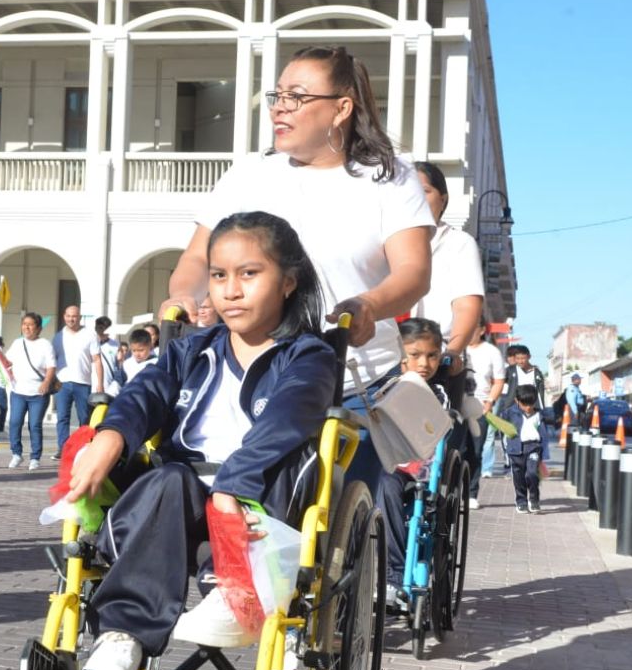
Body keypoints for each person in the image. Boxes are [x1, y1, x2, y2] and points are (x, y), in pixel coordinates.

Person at [70, 211, 336, 670]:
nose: (230, 290)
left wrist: (234, 483)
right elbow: (144, 393)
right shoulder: (190, 351)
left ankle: (233, 594)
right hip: (179, 503)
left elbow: (288, 418)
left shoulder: (309, 356)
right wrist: (112, 436)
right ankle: (123, 638)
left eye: (249, 274)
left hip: (257, 504)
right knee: (167, 478)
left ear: (289, 282)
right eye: (219, 276)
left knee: (283, 457)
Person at [163, 44, 433, 487]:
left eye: (297, 97)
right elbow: (197, 257)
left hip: (353, 379)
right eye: (278, 96)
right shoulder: (248, 176)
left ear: (341, 108)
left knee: (356, 517)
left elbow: (413, 272)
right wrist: (182, 294)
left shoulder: (388, 178)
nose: (280, 109)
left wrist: (368, 304)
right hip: (251, 377)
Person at [375, 318, 457, 607]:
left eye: (432, 355)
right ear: (398, 354)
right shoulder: (381, 387)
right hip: (380, 462)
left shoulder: (437, 395)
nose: (424, 363)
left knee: (385, 485)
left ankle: (393, 576)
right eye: (415, 355)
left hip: (412, 472)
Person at [409, 161, 484, 359]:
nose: (415, 197)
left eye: (424, 190)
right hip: (382, 357)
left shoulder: (459, 243)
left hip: (436, 357)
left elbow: (467, 305)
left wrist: (452, 353)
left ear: (443, 199)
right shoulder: (380, 239)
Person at [51, 305, 103, 458]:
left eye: (74, 316)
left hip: (83, 383)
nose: (71, 319)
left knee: (84, 417)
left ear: (80, 317)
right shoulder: (58, 336)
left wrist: (99, 384)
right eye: (68, 316)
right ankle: (63, 448)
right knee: (62, 417)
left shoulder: (90, 335)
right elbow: (52, 360)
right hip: (62, 383)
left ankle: (83, 446)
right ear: (63, 316)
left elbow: (97, 360)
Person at [6, 311, 56, 470]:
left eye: (30, 324)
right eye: (24, 324)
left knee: (34, 425)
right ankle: (16, 454)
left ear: (39, 328)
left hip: (38, 393)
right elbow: (6, 362)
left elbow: (51, 367)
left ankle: (35, 457)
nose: (26, 327)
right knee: (14, 422)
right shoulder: (17, 343)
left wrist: (47, 382)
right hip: (18, 391)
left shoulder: (45, 345)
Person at [464, 320, 505, 508]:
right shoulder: (457, 347)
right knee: (456, 449)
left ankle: (471, 493)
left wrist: (489, 402)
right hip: (455, 405)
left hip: (479, 406)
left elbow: (499, 381)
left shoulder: (492, 352)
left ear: (481, 330)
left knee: (475, 450)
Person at [503, 384, 549, 515]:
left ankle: (534, 499)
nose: (528, 407)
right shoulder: (509, 413)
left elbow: (544, 435)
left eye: (531, 404)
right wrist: (506, 448)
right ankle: (521, 502)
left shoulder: (539, 415)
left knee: (532, 474)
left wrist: (544, 452)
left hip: (534, 448)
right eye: (524, 404)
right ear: (517, 401)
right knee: (519, 478)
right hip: (515, 449)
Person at [94, 316, 122, 397]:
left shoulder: (115, 345)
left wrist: (121, 359)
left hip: (109, 388)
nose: (103, 331)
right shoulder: (90, 342)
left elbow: (119, 367)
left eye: (105, 328)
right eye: (100, 328)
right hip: (90, 386)